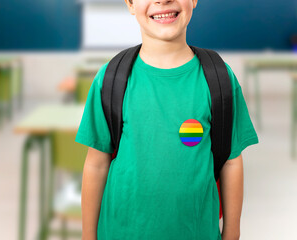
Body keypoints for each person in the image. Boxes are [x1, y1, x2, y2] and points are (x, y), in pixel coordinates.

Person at [75, 0, 259, 239]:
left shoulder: (219, 78)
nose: (162, 0)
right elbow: (96, 164)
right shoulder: (110, 79)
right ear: (130, 4)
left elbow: (231, 162)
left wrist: (232, 233)